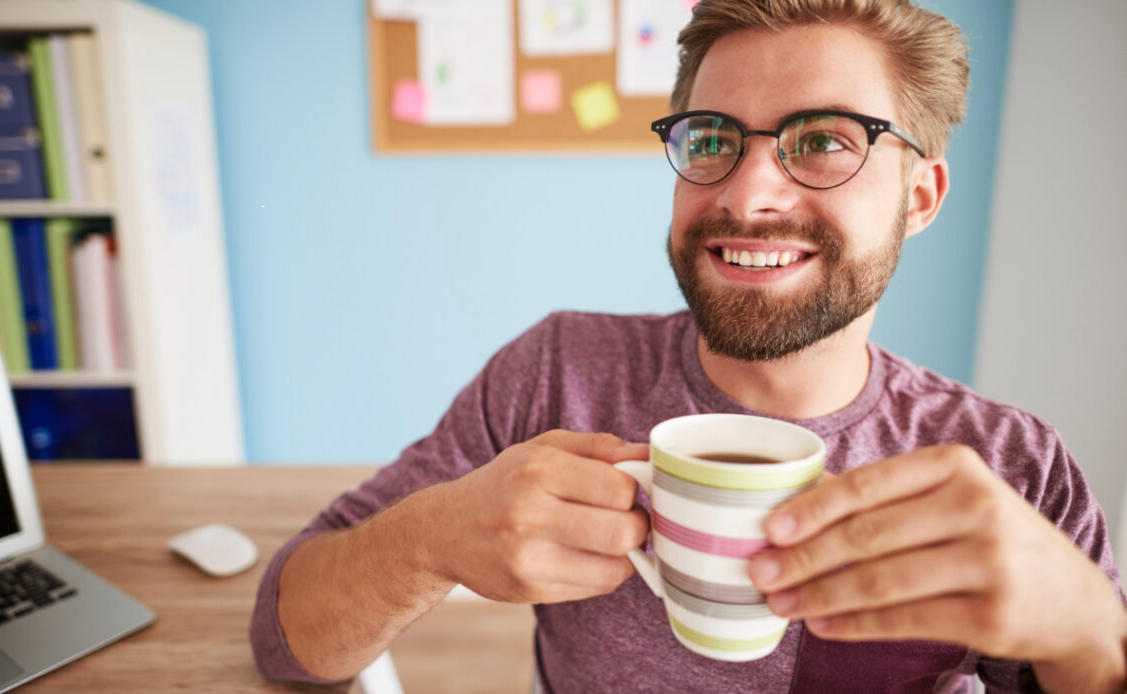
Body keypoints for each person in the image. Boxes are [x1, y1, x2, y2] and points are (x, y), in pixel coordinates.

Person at [250, 1, 1127, 692]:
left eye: (822, 141)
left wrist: (1090, 640)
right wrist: (427, 539)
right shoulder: (556, 375)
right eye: (710, 138)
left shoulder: (1012, 470)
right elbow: (286, 640)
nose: (747, 194)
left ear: (920, 196)